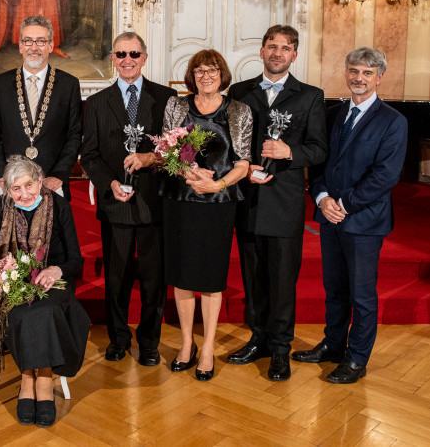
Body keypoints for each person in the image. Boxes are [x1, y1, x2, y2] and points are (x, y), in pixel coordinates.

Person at [296, 47, 407, 384]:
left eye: (367, 73)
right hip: (329, 216)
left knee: (362, 295)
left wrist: (342, 204)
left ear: (379, 77)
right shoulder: (331, 114)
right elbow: (318, 161)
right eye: (354, 71)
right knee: (334, 290)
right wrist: (322, 197)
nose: (359, 78)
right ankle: (333, 345)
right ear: (346, 73)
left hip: (363, 221)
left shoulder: (393, 121)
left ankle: (357, 358)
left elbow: (385, 176)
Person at [226, 25, 328, 381]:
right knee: (253, 277)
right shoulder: (240, 92)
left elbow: (319, 149)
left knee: (283, 280)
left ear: (294, 55)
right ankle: (259, 339)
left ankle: (281, 349)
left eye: (285, 48)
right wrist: (243, 166)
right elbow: (230, 142)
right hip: (248, 199)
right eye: (272, 46)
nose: (277, 53)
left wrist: (290, 152)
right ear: (261, 51)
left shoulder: (310, 96)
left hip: (284, 201)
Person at [0, 156, 89, 429]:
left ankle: (41, 379)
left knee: (43, 310)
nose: (24, 194)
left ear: (40, 182)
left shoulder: (59, 206)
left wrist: (56, 270)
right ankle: (28, 377)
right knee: (21, 310)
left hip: (53, 282)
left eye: (29, 185)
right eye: (16, 188)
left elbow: (76, 261)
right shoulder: (2, 206)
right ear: (7, 190)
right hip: (14, 280)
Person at [80, 32, 176, 365]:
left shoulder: (166, 98)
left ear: (144, 58)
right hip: (115, 203)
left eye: (134, 54)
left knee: (153, 280)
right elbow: (89, 155)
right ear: (113, 59)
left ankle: (149, 342)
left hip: (154, 202)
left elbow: (177, 149)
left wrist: (150, 159)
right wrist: (109, 184)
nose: (127, 60)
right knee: (117, 279)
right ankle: (118, 338)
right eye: (121, 54)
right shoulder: (96, 102)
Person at [161, 50, 252, 381]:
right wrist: (190, 174)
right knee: (183, 275)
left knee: (212, 277)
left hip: (219, 202)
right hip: (181, 200)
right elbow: (166, 151)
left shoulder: (239, 110)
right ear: (192, 76)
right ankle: (187, 344)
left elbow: (243, 162)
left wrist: (217, 184)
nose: (206, 76)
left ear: (222, 74)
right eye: (199, 70)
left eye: (212, 70)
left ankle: (209, 348)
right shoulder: (176, 105)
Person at [0, 15, 82, 202]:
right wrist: (0, 175)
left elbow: (74, 135)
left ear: (51, 46)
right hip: (9, 183)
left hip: (51, 181)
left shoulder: (69, 85)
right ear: (20, 46)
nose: (34, 47)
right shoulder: (0, 84)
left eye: (41, 41)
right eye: (28, 41)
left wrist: (59, 175)